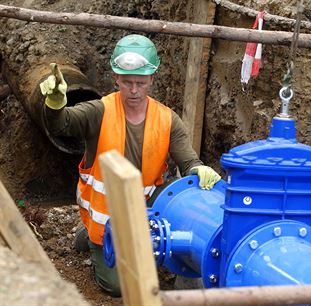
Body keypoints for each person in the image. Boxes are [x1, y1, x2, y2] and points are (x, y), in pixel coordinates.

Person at [39, 34, 221, 296]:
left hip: (148, 208)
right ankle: (90, 239)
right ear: (116, 78)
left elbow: (189, 161)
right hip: (106, 216)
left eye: (140, 83)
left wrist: (198, 170)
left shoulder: (167, 119)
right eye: (127, 83)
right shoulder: (99, 111)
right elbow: (62, 124)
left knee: (179, 203)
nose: (134, 90)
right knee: (117, 287)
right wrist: (55, 105)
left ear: (151, 80)